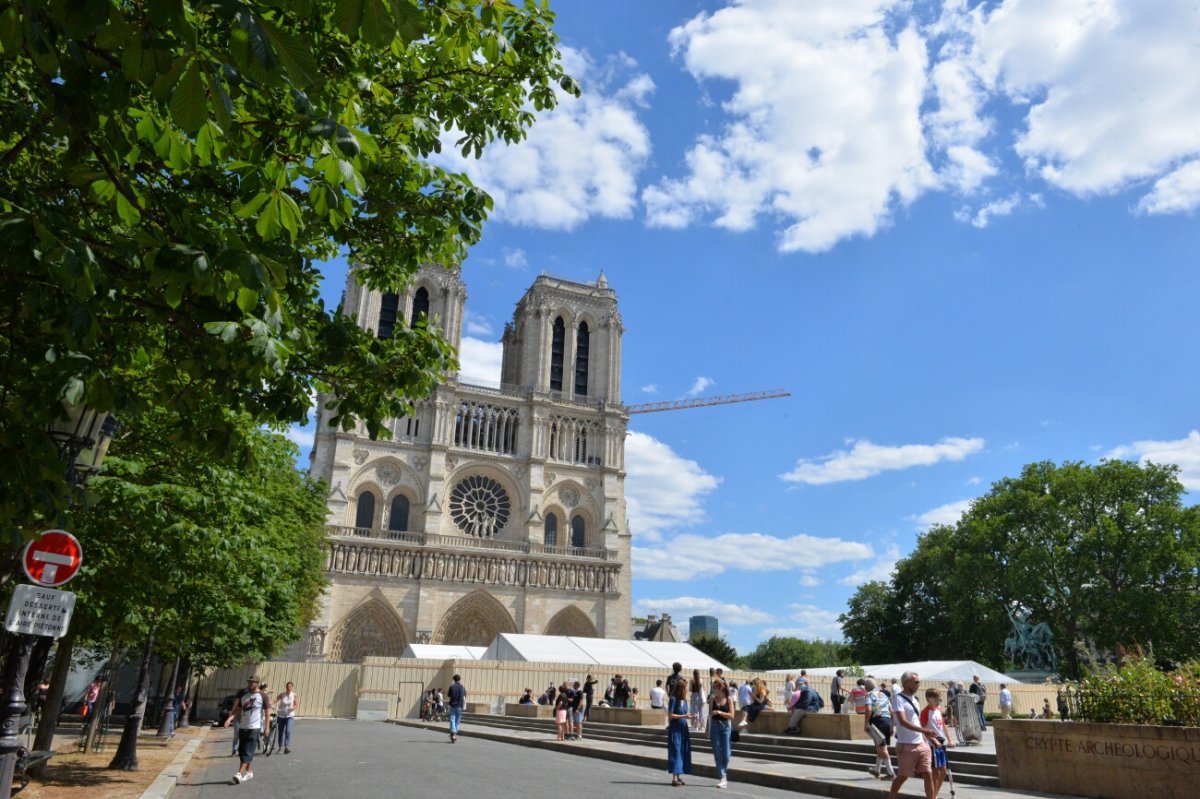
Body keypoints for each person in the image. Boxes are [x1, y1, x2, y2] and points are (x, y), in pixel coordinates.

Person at [886, 672, 939, 799]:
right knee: (903, 776)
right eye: (915, 682)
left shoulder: (915, 700)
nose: (918, 684)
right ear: (905, 683)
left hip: (922, 743)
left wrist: (928, 737)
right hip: (907, 745)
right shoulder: (897, 699)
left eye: (918, 682)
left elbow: (916, 720)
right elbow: (903, 722)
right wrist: (924, 731)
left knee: (928, 773)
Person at [224, 675, 270, 784]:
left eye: (252, 682)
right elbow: (239, 709)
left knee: (248, 751)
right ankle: (249, 772)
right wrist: (230, 718)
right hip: (243, 726)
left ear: (257, 683)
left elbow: (267, 712)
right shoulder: (244, 694)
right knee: (241, 751)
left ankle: (239, 773)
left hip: (254, 728)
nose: (249, 684)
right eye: (249, 682)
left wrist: (267, 727)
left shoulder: (263, 696)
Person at [920, 688, 954, 798]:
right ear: (929, 699)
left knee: (943, 771)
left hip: (941, 742)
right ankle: (932, 796)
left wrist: (950, 739)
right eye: (936, 699)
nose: (938, 701)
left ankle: (934, 795)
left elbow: (943, 726)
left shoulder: (938, 710)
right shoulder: (925, 712)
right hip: (932, 744)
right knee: (935, 773)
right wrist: (933, 740)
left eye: (939, 699)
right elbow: (923, 729)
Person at [863, 678, 895, 779]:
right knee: (879, 747)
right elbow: (891, 711)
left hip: (878, 722)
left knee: (882, 748)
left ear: (866, 687)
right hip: (887, 721)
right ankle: (877, 771)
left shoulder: (869, 695)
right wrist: (893, 725)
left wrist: (866, 723)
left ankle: (891, 773)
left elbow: (868, 709)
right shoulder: (883, 695)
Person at [666, 678, 693, 786]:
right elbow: (670, 715)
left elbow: (685, 713)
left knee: (682, 750)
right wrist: (684, 716)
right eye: (685, 687)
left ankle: (678, 775)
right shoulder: (673, 699)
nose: (687, 689)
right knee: (676, 751)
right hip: (675, 728)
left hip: (683, 728)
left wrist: (690, 716)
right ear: (681, 688)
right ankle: (674, 777)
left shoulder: (685, 701)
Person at [708, 679, 735, 789]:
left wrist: (719, 712)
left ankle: (723, 772)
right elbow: (710, 715)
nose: (713, 690)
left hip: (725, 727)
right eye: (713, 688)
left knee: (727, 754)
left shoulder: (729, 699)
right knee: (717, 753)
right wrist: (706, 729)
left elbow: (732, 716)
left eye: (715, 688)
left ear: (720, 688)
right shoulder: (712, 699)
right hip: (714, 727)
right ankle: (723, 777)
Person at [275, 681, 299, 754]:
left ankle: (286, 746)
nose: (289, 688)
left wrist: (293, 708)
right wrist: (268, 703)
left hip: (290, 716)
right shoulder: (282, 695)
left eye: (290, 686)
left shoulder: (294, 695)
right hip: (281, 716)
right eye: (288, 686)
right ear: (286, 687)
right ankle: (280, 747)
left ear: (292, 687)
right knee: (281, 732)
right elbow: (275, 700)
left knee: (288, 731)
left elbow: (297, 704)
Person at [447, 674, 467, 743]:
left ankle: (453, 732)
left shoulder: (452, 686)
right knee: (457, 720)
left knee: (452, 718)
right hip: (459, 705)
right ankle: (455, 733)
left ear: (454, 679)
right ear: (459, 679)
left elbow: (449, 695)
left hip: (453, 704)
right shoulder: (462, 687)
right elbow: (464, 695)